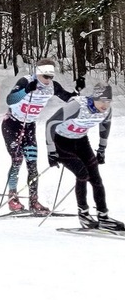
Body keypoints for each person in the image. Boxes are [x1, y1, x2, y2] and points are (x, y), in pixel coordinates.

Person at [1, 59, 82, 213]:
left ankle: (34, 201)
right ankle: (12, 198)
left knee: (32, 164)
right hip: (12, 124)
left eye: (50, 76)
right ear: (38, 73)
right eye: (45, 76)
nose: (48, 80)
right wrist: (25, 91)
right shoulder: (26, 81)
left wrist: (77, 91)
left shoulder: (52, 86)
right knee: (17, 159)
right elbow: (10, 100)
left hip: (29, 126)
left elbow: (69, 99)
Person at [45, 82, 121, 230]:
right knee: (82, 174)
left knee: (96, 178)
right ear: (94, 98)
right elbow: (50, 123)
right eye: (102, 101)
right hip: (61, 142)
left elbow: (105, 127)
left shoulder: (106, 110)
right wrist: (51, 151)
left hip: (81, 141)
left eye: (108, 101)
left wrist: (101, 149)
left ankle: (103, 217)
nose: (105, 105)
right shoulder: (77, 106)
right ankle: (84, 214)